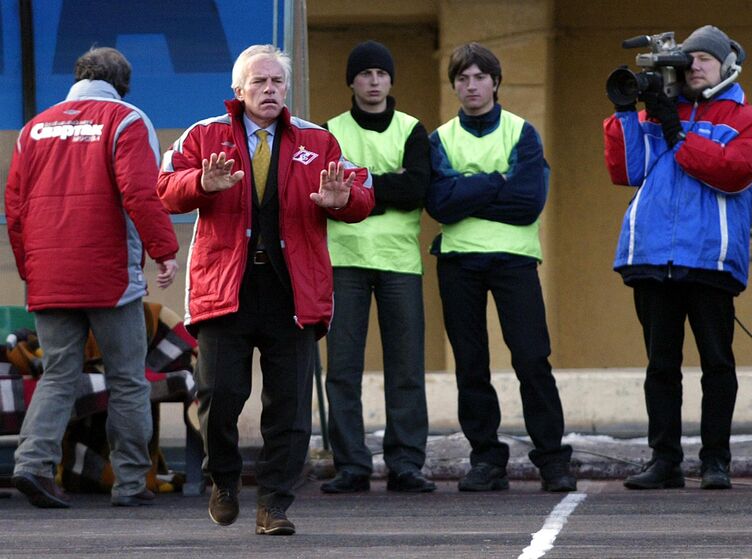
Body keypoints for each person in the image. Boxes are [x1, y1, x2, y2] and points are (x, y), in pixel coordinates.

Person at [156, 44, 374, 535]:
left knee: (290, 407)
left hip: (292, 291)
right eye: (259, 82)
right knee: (220, 395)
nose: (270, 90)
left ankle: (275, 503)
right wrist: (200, 185)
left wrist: (345, 200)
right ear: (238, 91)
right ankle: (224, 482)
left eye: (277, 82)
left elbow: (361, 193)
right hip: (225, 287)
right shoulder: (206, 134)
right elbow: (165, 189)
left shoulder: (318, 140)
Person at [5, 47, 180, 508]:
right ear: (123, 85)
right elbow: (141, 194)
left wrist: (31, 270)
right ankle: (129, 483)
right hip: (109, 278)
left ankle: (31, 466)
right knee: (127, 379)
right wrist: (164, 250)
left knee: (58, 375)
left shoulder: (33, 129)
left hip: (49, 276)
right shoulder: (126, 120)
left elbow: (15, 209)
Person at [604, 25, 752, 490]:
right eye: (688, 59)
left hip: (709, 258)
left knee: (717, 363)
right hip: (652, 253)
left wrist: (677, 132)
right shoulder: (660, 111)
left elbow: (733, 173)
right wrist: (625, 113)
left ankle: (716, 461)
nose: (694, 66)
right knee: (661, 366)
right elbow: (627, 170)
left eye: (704, 60)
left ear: (726, 66)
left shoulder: (750, 120)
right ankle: (665, 461)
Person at [426, 43, 576, 493]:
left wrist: (465, 192)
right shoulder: (440, 138)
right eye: (462, 78)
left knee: (532, 359)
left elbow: (528, 202)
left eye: (479, 77)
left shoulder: (521, 132)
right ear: (454, 85)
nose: (471, 86)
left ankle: (553, 461)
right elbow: (438, 204)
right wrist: (496, 182)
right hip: (458, 262)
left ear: (495, 82)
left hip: (514, 261)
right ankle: (486, 460)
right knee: (471, 365)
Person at [320, 41, 434, 494]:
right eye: (364, 73)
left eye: (380, 74)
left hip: (399, 262)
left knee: (405, 368)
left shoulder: (412, 129)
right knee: (343, 369)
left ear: (391, 80)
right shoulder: (328, 131)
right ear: (351, 81)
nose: (372, 81)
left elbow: (417, 189)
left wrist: (360, 187)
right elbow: (326, 193)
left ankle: (406, 463)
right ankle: (351, 465)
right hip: (342, 260)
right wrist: (387, 187)